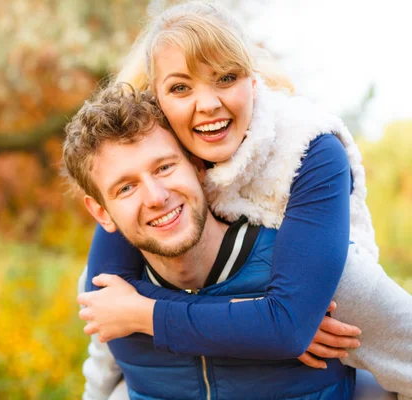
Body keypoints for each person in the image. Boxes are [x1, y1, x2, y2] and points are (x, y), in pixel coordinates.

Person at [79, 1, 412, 399]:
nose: (207, 104)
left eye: (225, 77)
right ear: (157, 103)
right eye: (181, 87)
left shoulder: (308, 150)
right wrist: (251, 330)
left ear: (252, 82)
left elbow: (290, 325)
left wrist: (291, 319)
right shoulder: (155, 174)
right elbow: (105, 300)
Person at [63, 83, 360, 399]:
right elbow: (101, 381)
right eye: (125, 188)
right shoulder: (110, 298)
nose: (156, 197)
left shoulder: (311, 278)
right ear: (101, 213)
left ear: (197, 166)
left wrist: (281, 322)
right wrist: (255, 325)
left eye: (164, 167)